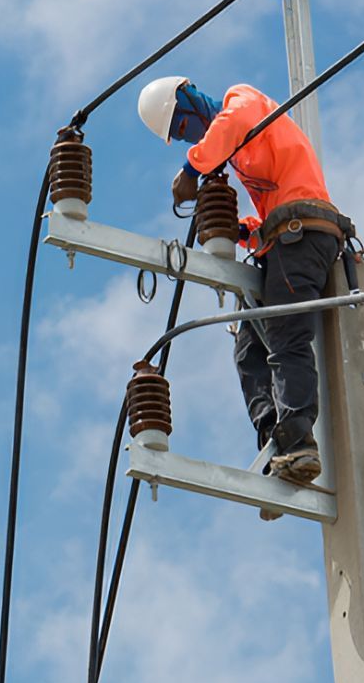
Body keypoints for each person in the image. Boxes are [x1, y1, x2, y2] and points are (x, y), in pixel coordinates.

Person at [136, 77, 353, 488]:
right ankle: (276, 438)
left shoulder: (242, 101)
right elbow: (266, 214)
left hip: (303, 234)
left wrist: (190, 169)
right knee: (249, 349)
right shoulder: (241, 155)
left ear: (190, 99)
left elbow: (232, 123)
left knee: (287, 336)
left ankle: (299, 436)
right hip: (283, 237)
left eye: (184, 127)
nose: (189, 137)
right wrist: (238, 230)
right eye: (181, 137)